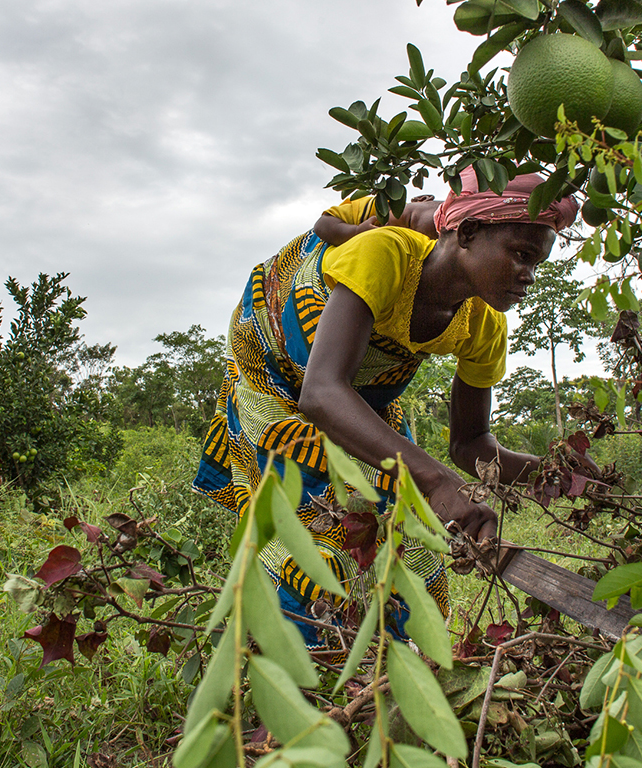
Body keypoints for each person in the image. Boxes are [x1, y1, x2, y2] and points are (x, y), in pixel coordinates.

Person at [193, 168, 578, 652]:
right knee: (314, 529)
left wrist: (562, 478)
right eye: (521, 255)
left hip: (361, 395)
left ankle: (397, 668)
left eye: (537, 263)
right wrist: (435, 480)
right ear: (469, 233)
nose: (529, 275)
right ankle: (300, 676)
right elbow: (321, 394)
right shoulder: (385, 253)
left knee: (411, 533)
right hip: (280, 375)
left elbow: (470, 445)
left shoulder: (484, 325)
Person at [314, 193, 442, 245]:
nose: (400, 232)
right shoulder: (378, 206)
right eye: (409, 221)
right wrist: (356, 231)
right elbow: (323, 225)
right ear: (421, 199)